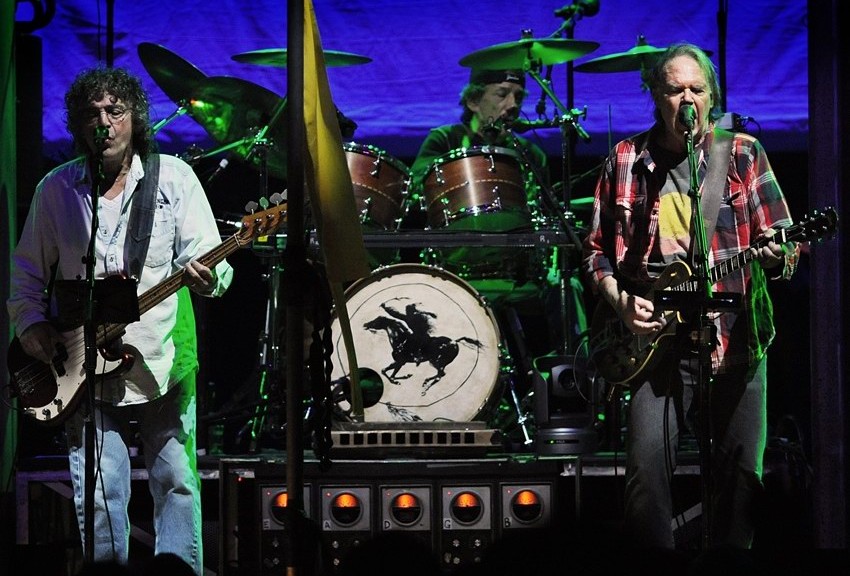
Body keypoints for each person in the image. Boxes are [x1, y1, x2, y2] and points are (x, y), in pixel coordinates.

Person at [7, 64, 233, 574]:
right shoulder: (56, 190)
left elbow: (211, 260)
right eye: (92, 114)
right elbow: (25, 274)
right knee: (99, 490)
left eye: (115, 111)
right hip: (81, 366)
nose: (104, 123)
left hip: (162, 356)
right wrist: (32, 325)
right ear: (77, 124)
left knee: (175, 481)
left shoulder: (174, 178)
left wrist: (208, 278)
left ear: (135, 118)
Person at [581, 42, 799, 548]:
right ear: (656, 96)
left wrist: (775, 253)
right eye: (674, 89)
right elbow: (594, 252)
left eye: (696, 89)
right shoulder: (626, 159)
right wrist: (620, 302)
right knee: (645, 482)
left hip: (735, 340)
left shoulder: (742, 153)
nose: (687, 100)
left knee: (741, 483)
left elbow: (785, 243)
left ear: (712, 96)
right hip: (654, 345)